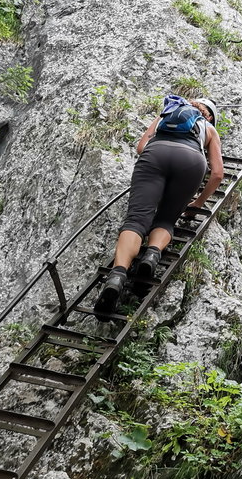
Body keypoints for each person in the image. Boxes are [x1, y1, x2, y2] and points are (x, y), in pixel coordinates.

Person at [94, 97, 224, 317]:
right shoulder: (209, 128)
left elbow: (141, 147)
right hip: (191, 161)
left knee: (135, 220)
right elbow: (218, 173)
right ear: (209, 115)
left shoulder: (167, 113)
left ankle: (116, 276)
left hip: (155, 155)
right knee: (166, 219)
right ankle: (152, 254)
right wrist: (199, 202)